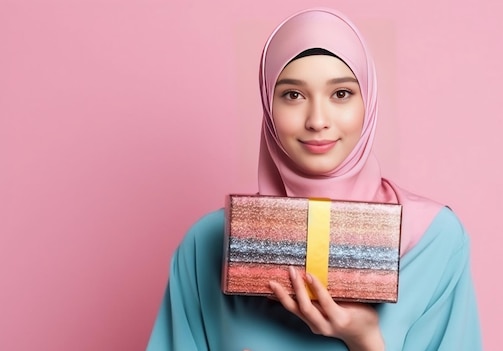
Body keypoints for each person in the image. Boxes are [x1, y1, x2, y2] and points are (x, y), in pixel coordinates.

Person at [147, 8, 482, 351]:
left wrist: (366, 340)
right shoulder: (208, 243)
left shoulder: (432, 239)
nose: (317, 120)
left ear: (368, 100)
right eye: (293, 95)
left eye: (341, 94)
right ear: (267, 103)